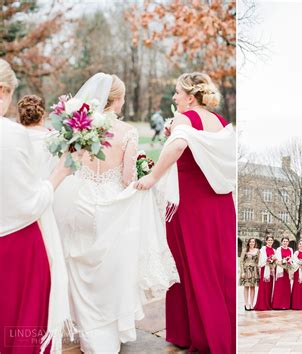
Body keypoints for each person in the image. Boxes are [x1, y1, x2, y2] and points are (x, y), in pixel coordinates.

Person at [54, 73, 178, 353]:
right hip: (113, 206)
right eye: (122, 99)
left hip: (79, 200)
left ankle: (88, 332)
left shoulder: (80, 127)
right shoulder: (128, 132)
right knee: (113, 270)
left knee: (80, 265)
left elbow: (70, 164)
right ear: (118, 99)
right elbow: (126, 177)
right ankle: (109, 330)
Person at [134, 72, 236, 353]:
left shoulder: (185, 117)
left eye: (177, 92)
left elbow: (180, 145)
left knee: (188, 266)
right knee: (217, 269)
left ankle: (199, 336)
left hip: (190, 205)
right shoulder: (222, 121)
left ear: (190, 96)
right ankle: (219, 333)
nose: (174, 97)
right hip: (220, 204)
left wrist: (153, 177)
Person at [0, 59, 73, 354]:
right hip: (16, 244)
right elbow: (28, 203)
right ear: (2, 90)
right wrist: (61, 172)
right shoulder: (11, 134)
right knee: (21, 328)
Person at [254, 235, 276, 311]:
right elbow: (262, 260)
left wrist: (273, 263)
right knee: (264, 287)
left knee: (269, 287)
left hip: (271, 271)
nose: (270, 241)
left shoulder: (274, 250)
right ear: (266, 241)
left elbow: (275, 260)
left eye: (271, 240)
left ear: (273, 241)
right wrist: (268, 261)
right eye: (269, 240)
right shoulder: (263, 249)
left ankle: (268, 304)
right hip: (265, 269)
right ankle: (262, 305)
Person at [272, 237, 293, 310]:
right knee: (279, 287)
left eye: (286, 241)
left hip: (287, 271)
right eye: (284, 241)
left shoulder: (290, 249)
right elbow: (277, 261)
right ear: (281, 242)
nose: (285, 243)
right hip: (280, 270)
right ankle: (277, 305)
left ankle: (286, 305)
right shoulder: (278, 249)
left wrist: (289, 266)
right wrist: (284, 266)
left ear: (288, 242)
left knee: (286, 287)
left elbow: (291, 259)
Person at [240, 238, 260, 311]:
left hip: (254, 270)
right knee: (246, 286)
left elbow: (258, 261)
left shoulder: (258, 251)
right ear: (248, 243)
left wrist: (259, 271)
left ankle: (251, 304)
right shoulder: (245, 250)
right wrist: (242, 271)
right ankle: (246, 304)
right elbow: (241, 261)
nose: (252, 243)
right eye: (250, 242)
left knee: (252, 287)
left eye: (253, 242)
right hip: (246, 270)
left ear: (255, 243)